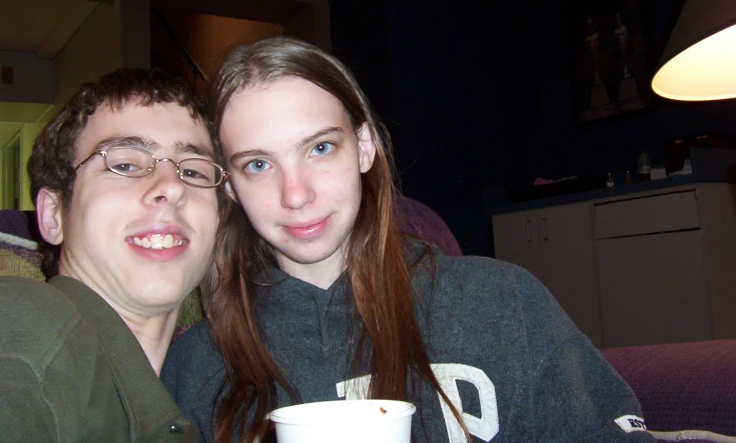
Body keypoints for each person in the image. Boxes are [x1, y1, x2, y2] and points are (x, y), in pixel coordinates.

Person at [162, 37, 655, 442]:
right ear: (229, 184)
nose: (296, 195)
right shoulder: (195, 365)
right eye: (258, 164)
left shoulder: (501, 302)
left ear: (363, 148)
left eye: (320, 148)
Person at [0, 68, 229, 442]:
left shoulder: (205, 386)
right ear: (54, 214)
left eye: (193, 171)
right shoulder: (26, 324)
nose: (172, 187)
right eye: (124, 165)